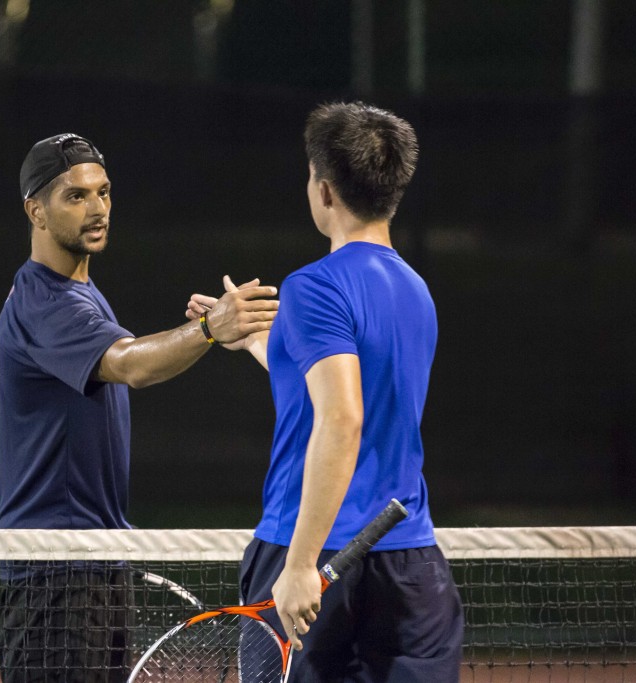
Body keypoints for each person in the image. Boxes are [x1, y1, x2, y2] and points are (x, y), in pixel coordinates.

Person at [189, 102, 464, 681]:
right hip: (409, 564)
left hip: (318, 557)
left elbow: (341, 417)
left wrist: (300, 563)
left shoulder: (313, 287)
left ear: (326, 190)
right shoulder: (416, 291)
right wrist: (257, 345)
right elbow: (328, 385)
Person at [0, 132, 278, 682]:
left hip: (95, 565)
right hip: (56, 576)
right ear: (36, 211)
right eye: (75, 197)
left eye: (103, 193)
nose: (97, 209)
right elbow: (131, 364)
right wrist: (209, 330)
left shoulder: (79, 293)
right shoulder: (45, 301)